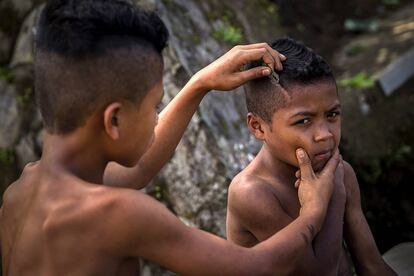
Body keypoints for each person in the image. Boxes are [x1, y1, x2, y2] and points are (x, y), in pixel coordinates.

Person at [0, 1, 339, 275]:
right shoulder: (121, 214)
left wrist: (200, 83)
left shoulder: (22, 194)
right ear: (114, 119)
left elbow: (138, 169)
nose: (156, 119)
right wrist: (313, 211)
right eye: (154, 107)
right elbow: (256, 266)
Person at [226, 37, 397, 275]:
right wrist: (333, 193)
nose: (325, 135)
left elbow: (371, 264)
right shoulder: (253, 193)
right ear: (258, 127)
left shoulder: (340, 171)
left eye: (332, 114)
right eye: (303, 121)